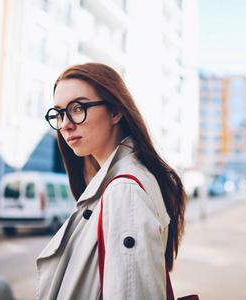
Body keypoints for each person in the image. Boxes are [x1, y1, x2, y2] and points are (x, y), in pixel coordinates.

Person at [37, 63, 187, 299]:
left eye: (78, 107)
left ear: (116, 112)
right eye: (59, 113)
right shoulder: (121, 179)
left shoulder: (124, 189)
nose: (65, 124)